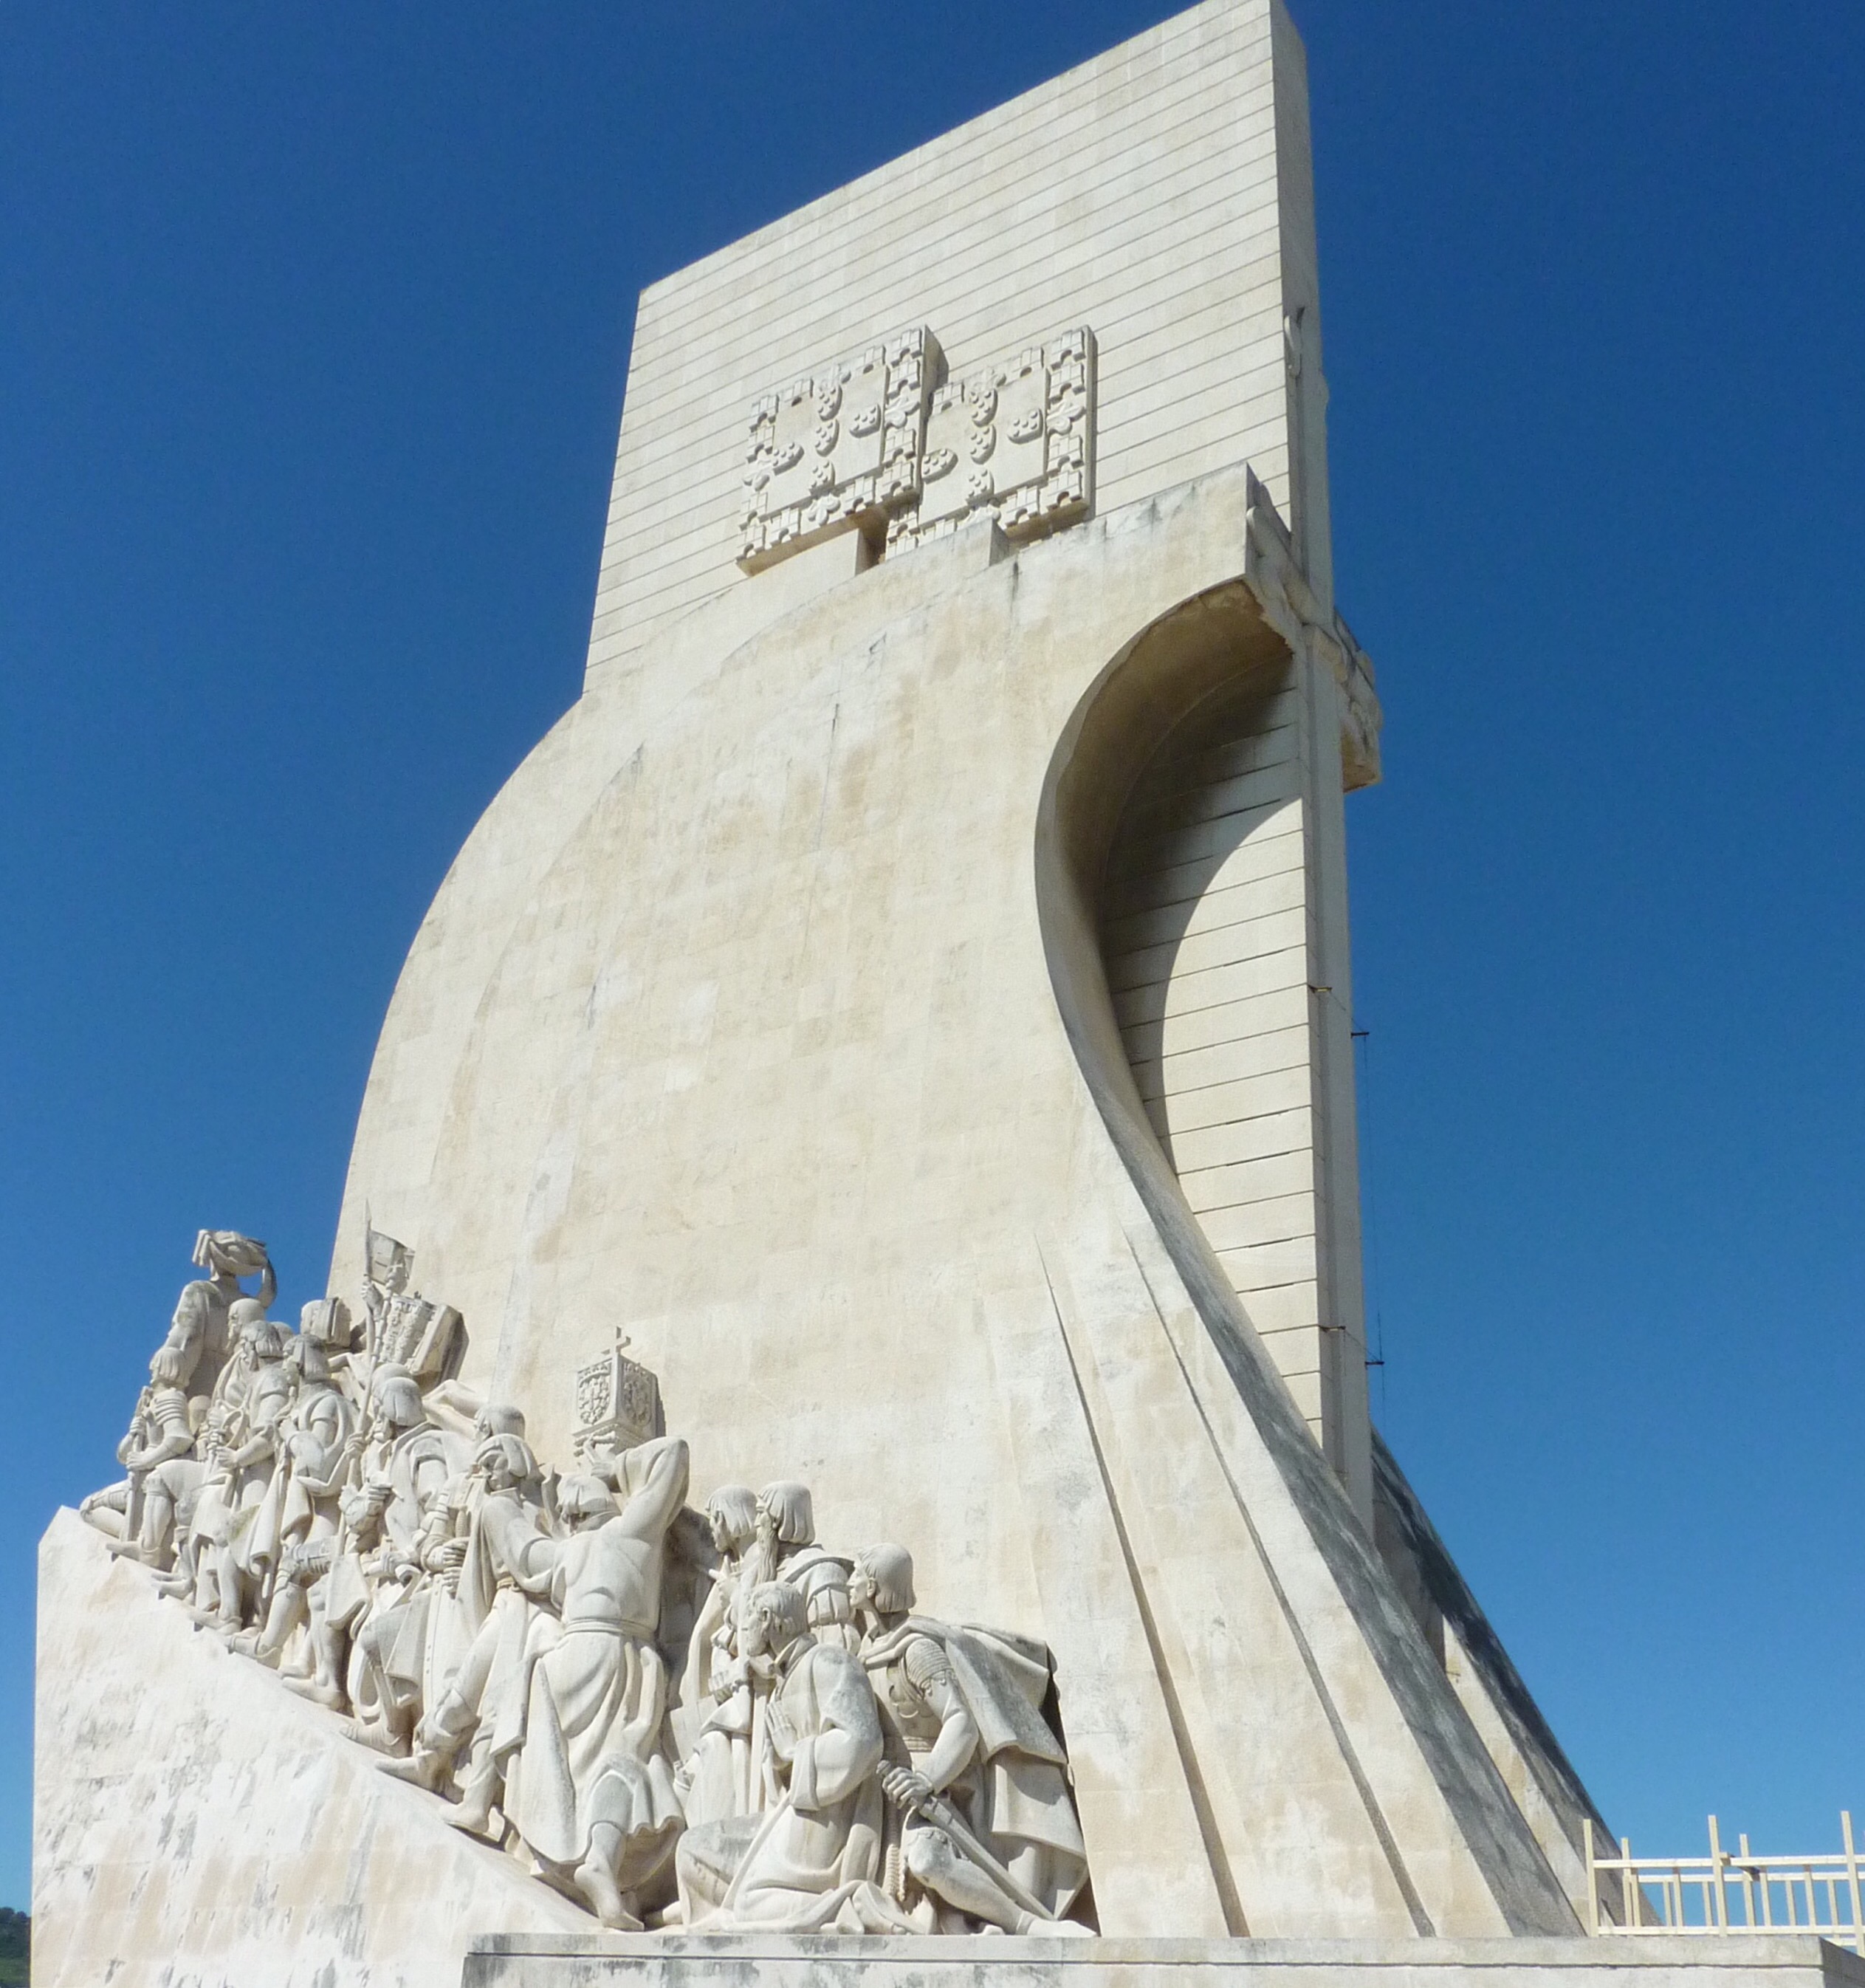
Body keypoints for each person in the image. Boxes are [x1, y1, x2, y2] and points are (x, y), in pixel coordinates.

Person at [501, 1439, 690, 1927]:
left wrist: (504, 1504)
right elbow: (673, 1455)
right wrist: (618, 1468)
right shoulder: (630, 1532)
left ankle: (594, 1861)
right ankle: (601, 1863)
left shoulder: (565, 1551)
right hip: (613, 1657)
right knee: (628, 1763)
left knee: (607, 1769)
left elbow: (523, 1558)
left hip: (562, 1663)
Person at [851, 1543, 1088, 1931]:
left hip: (927, 1788)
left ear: (875, 1586)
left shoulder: (917, 1651)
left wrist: (926, 1779)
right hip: (879, 1793)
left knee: (930, 1862)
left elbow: (960, 1721)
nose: (850, 1581)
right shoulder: (868, 1651)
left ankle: (1025, 1923)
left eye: (858, 1573)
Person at [675, 1581, 908, 1932]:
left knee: (750, 1902)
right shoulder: (785, 1677)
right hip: (790, 1811)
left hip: (830, 1818)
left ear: (767, 1618)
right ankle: (727, 1918)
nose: (741, 1636)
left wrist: (794, 1752)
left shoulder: (829, 1661)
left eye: (747, 1621)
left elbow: (864, 1744)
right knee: (692, 1850)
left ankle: (849, 1905)